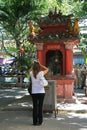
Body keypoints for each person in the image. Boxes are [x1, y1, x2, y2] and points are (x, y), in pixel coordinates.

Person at [30, 60, 49, 125]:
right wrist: (40, 65)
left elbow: (30, 70)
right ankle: (40, 121)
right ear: (39, 67)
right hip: (41, 92)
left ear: (34, 67)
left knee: (35, 107)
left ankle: (34, 122)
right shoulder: (41, 73)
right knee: (40, 107)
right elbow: (47, 69)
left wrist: (34, 65)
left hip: (34, 92)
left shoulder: (31, 73)